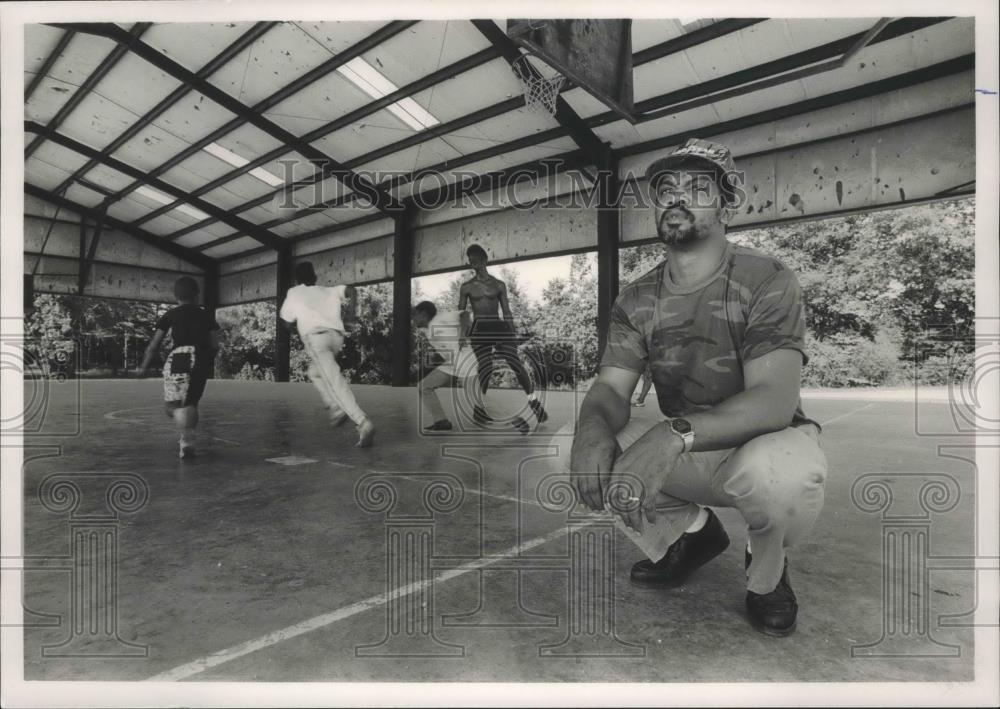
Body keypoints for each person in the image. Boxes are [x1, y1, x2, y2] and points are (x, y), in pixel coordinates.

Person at [568, 138, 827, 637]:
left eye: (698, 187)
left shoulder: (766, 277)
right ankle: (692, 535)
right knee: (575, 444)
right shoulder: (637, 296)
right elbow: (611, 389)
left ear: (727, 204)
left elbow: (773, 400)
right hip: (690, 448)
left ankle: (767, 573)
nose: (677, 196)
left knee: (784, 476)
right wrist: (591, 429)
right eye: (666, 188)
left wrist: (670, 436)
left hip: (758, 442)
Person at [279, 262, 375, 448]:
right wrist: (350, 316)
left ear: (297, 280)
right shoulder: (329, 290)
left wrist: (295, 326)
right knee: (314, 373)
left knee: (333, 381)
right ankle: (336, 407)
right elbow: (352, 291)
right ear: (315, 278)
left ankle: (362, 422)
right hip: (337, 338)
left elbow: (286, 321)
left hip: (317, 340)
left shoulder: (294, 292)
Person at [458, 244, 546, 433]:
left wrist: (512, 333)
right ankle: (479, 409)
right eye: (470, 260)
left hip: (499, 327)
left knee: (515, 363)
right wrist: (461, 335)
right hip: (479, 330)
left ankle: (533, 402)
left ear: (484, 260)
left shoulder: (499, 285)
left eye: (476, 259)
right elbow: (462, 314)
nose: (473, 263)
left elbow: (506, 311)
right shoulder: (466, 287)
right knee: (486, 366)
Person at [138, 276, 220, 459]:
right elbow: (215, 345)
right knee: (192, 402)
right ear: (197, 295)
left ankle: (182, 424)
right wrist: (205, 360)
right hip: (200, 358)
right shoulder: (206, 315)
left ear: (176, 296)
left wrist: (143, 367)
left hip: (180, 358)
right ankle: (187, 440)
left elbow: (154, 345)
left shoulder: (171, 314)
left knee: (171, 406)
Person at [412, 301, 483, 431]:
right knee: (424, 386)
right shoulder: (427, 331)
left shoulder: (441, 318)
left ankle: (515, 419)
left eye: (415, 315)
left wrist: (462, 335)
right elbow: (443, 350)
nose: (413, 319)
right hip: (450, 365)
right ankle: (441, 421)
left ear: (423, 314)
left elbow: (465, 314)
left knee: (480, 403)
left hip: (465, 363)